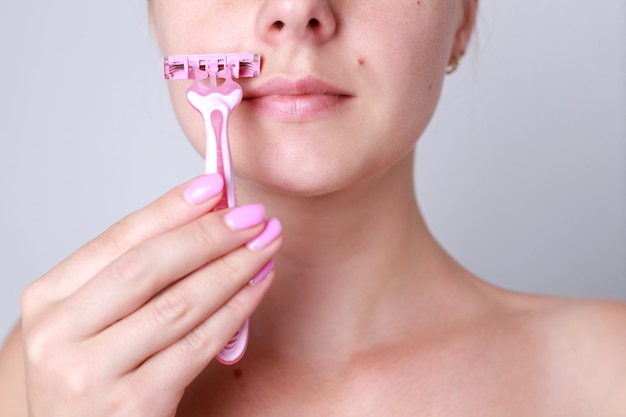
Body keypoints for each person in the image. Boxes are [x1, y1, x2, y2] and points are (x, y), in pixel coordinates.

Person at [1, 0, 625, 415]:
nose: (298, 10)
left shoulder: (606, 376)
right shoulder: (60, 369)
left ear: (460, 18)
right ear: (156, 15)